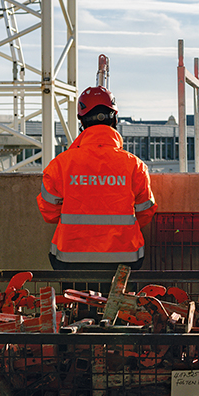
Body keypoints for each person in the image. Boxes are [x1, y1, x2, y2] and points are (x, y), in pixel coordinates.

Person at [37, 86, 157, 271]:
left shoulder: (60, 164)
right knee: (122, 300)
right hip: (124, 261)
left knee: (74, 300)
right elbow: (145, 213)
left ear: (81, 122)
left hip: (70, 260)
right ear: (115, 119)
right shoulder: (135, 165)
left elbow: (49, 213)